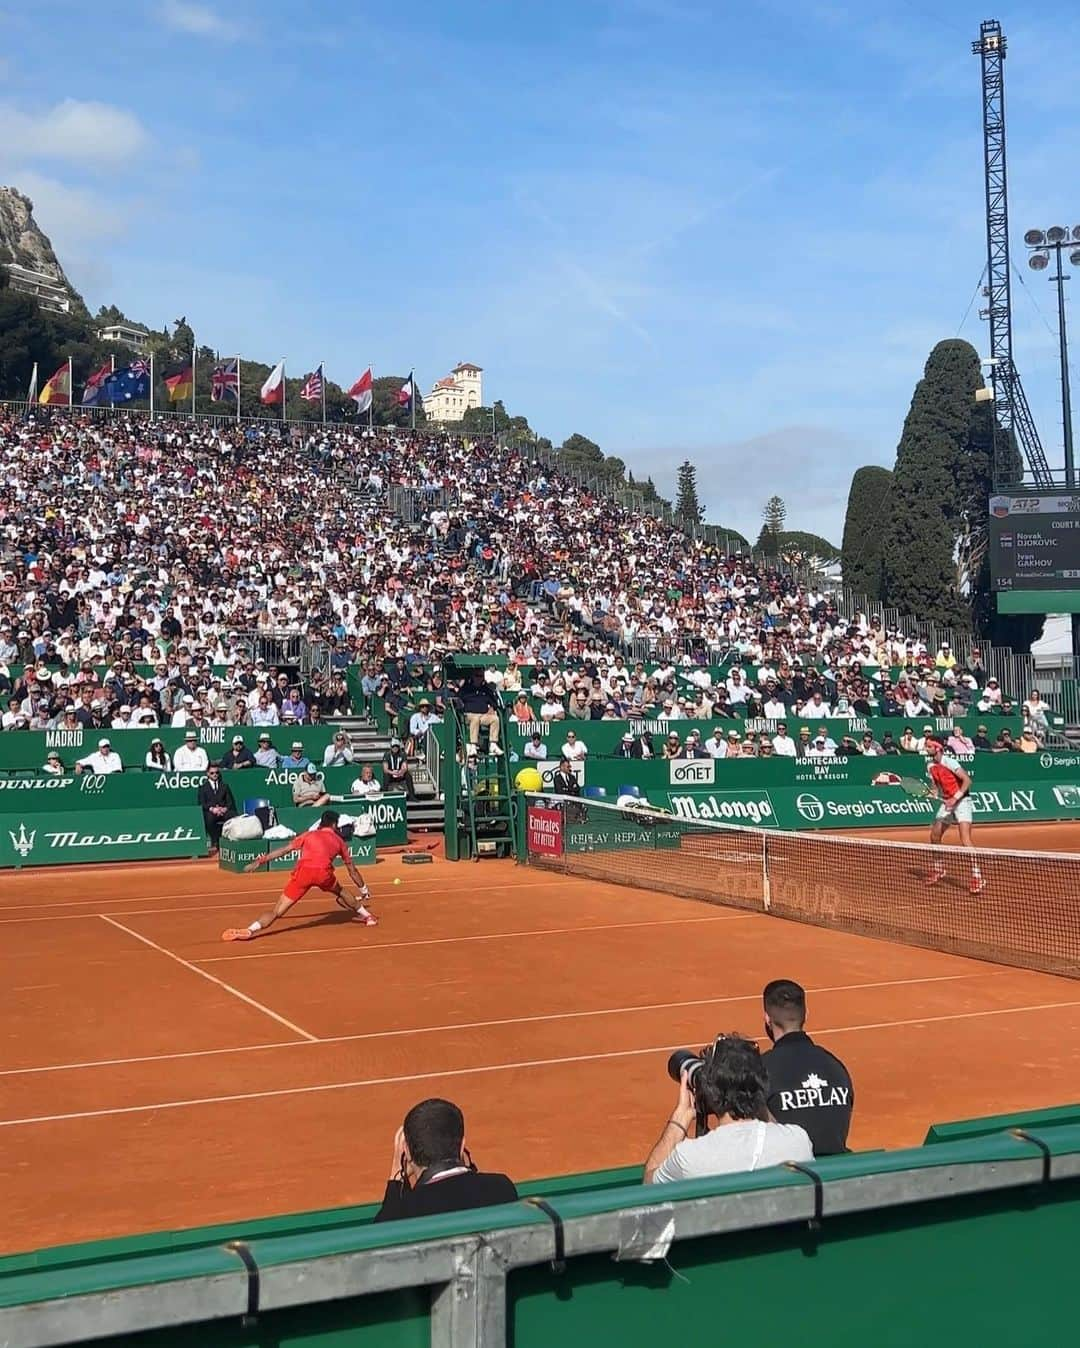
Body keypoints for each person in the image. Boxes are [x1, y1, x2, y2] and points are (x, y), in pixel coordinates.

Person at [645, 1034, 812, 1183]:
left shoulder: (689, 1157)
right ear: (763, 1084)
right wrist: (758, 1101)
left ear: (711, 1091)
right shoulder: (797, 1140)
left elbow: (649, 1185)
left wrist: (680, 1118)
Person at [223, 809, 376, 941]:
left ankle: (250, 930)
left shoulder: (308, 835)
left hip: (303, 873)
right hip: (324, 875)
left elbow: (284, 850)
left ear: (321, 823)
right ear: (335, 825)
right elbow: (352, 870)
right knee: (341, 891)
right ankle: (367, 916)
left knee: (277, 911)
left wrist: (260, 861)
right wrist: (363, 889)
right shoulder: (339, 841)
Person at [373, 1098, 518, 1223]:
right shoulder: (501, 1189)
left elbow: (383, 1231)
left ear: (407, 1152)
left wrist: (396, 1178)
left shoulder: (400, 1213)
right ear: (462, 1147)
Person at [761, 979, 853, 1156]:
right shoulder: (836, 1066)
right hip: (839, 1173)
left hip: (791, 1176)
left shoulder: (761, 1068)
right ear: (806, 1015)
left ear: (767, 1018)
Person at [924, 737, 985, 893]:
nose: (927, 748)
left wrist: (955, 798)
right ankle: (939, 869)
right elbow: (936, 787)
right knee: (934, 836)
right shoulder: (930, 765)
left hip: (962, 801)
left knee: (965, 840)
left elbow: (967, 781)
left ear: (937, 748)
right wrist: (933, 793)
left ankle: (977, 877)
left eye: (929, 746)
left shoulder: (950, 762)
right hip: (947, 803)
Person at [458, 666, 503, 755]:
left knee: (495, 719)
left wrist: (492, 708)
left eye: (481, 676)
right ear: (473, 677)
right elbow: (458, 699)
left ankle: (493, 744)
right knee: (475, 718)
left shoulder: (486, 689)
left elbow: (494, 703)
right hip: (469, 715)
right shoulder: (466, 688)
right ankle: (473, 745)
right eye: (477, 676)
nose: (479, 678)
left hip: (483, 715)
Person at [197, 763, 237, 856]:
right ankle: (215, 841)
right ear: (207, 774)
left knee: (233, 816)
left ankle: (231, 842)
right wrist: (212, 809)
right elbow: (202, 803)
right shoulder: (203, 788)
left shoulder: (224, 786)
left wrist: (224, 809)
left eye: (216, 773)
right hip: (211, 812)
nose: (215, 775)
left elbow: (229, 802)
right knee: (209, 819)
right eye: (212, 773)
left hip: (223, 811)